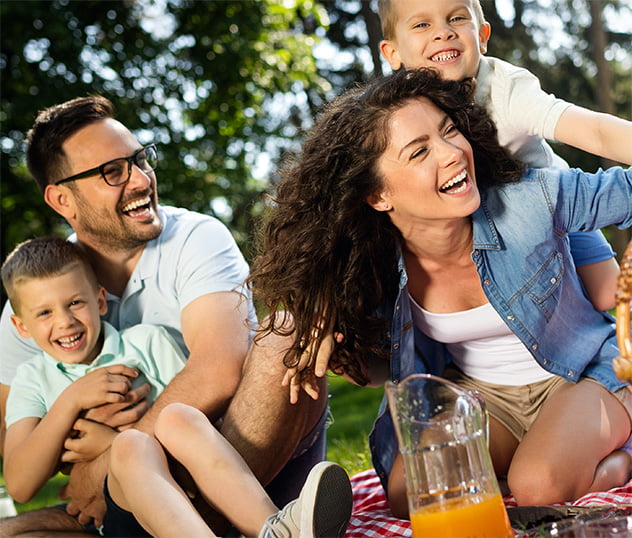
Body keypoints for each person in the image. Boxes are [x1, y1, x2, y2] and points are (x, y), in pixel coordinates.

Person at [248, 68, 632, 518]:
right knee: (412, 494)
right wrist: (338, 341)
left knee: (538, 486)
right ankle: (553, 451)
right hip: (486, 395)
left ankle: (616, 459)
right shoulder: (372, 268)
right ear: (378, 196)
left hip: (583, 373)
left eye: (449, 131)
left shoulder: (531, 200)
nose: (452, 154)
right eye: (419, 152)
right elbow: (379, 372)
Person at [0, 95, 328, 535]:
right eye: (112, 172)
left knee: (285, 335)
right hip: (123, 497)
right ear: (63, 200)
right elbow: (19, 448)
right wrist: (74, 411)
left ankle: (265, 522)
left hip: (230, 461)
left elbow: (218, 369)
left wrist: (102, 459)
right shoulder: (39, 294)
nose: (139, 180)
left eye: (140, 160)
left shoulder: (196, 237)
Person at [1, 237, 352, 538]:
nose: (65, 321)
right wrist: (70, 402)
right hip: (125, 508)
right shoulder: (33, 379)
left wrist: (106, 444)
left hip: (183, 486)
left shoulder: (147, 342)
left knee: (176, 419)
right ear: (22, 326)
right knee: (130, 446)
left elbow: (202, 429)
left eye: (75, 303)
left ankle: (272, 528)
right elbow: (19, 483)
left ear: (100, 300)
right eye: (44, 313)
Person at [376, 0, 630, 312]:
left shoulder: (506, 89)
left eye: (456, 18)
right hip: (484, 226)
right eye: (421, 25)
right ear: (392, 53)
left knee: (609, 294)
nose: (443, 33)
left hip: (552, 205)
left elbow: (594, 131)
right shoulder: (399, 110)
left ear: (482, 35)